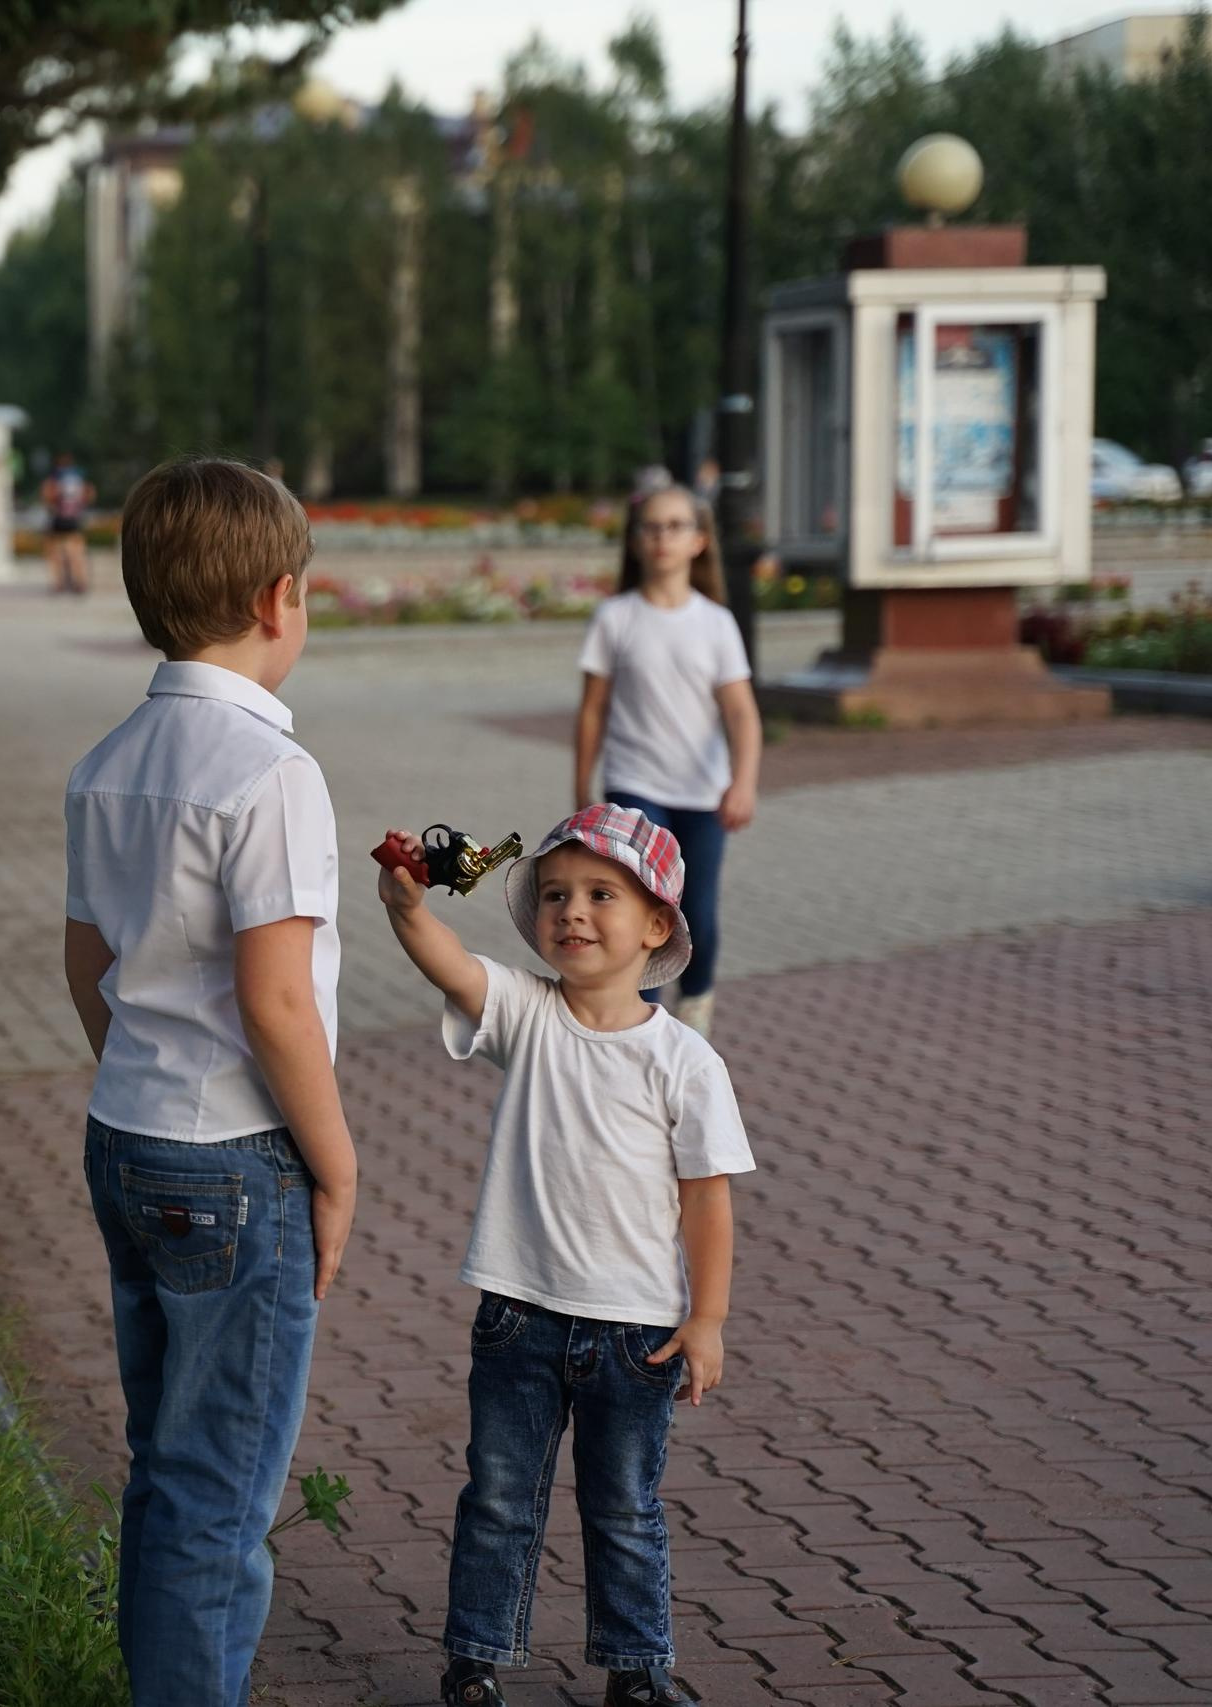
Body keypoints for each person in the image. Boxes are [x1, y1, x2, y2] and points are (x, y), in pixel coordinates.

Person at [63, 456, 355, 1707]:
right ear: (280, 598)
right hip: (237, 1158)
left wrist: (139, 1081)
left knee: (165, 1462)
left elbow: (89, 966)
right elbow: (276, 1002)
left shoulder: (109, 759)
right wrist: (335, 1168)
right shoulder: (271, 774)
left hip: (125, 1134)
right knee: (221, 1490)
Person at [379, 803, 754, 1707]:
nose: (572, 912)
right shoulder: (524, 1011)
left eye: (600, 895)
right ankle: (474, 1659)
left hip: (639, 1331)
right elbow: (454, 966)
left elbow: (708, 1198)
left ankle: (636, 1670)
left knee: (623, 1508)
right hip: (520, 1314)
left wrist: (707, 1318)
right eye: (555, 895)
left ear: (657, 923)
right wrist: (404, 909)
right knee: (500, 1497)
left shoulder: (685, 1063)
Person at [573, 485, 762, 1038]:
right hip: (636, 786)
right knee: (641, 909)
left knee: (695, 914)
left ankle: (697, 997)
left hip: (704, 793)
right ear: (635, 541)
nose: (663, 537)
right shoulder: (614, 617)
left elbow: (742, 715)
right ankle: (643, 1020)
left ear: (700, 541)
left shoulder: (715, 623)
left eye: (676, 526)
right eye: (652, 527)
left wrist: (743, 783)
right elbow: (592, 712)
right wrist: (582, 788)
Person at [41, 451, 95, 595]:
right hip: (75, 520)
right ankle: (80, 582)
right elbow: (90, 493)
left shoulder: (54, 477)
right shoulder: (79, 478)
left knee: (56, 553)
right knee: (77, 554)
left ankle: (59, 583)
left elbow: (47, 496)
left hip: (58, 520)